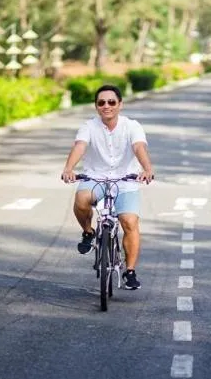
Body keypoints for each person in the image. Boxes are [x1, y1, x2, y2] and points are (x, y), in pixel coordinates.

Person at [61, 84, 154, 290]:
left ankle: (129, 271)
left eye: (112, 102)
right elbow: (80, 146)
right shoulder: (89, 126)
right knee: (82, 198)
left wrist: (147, 169)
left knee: (129, 221)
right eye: (101, 102)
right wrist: (69, 168)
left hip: (126, 180)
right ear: (96, 106)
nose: (107, 106)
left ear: (120, 104)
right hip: (96, 177)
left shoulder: (132, 126)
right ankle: (88, 231)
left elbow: (139, 147)